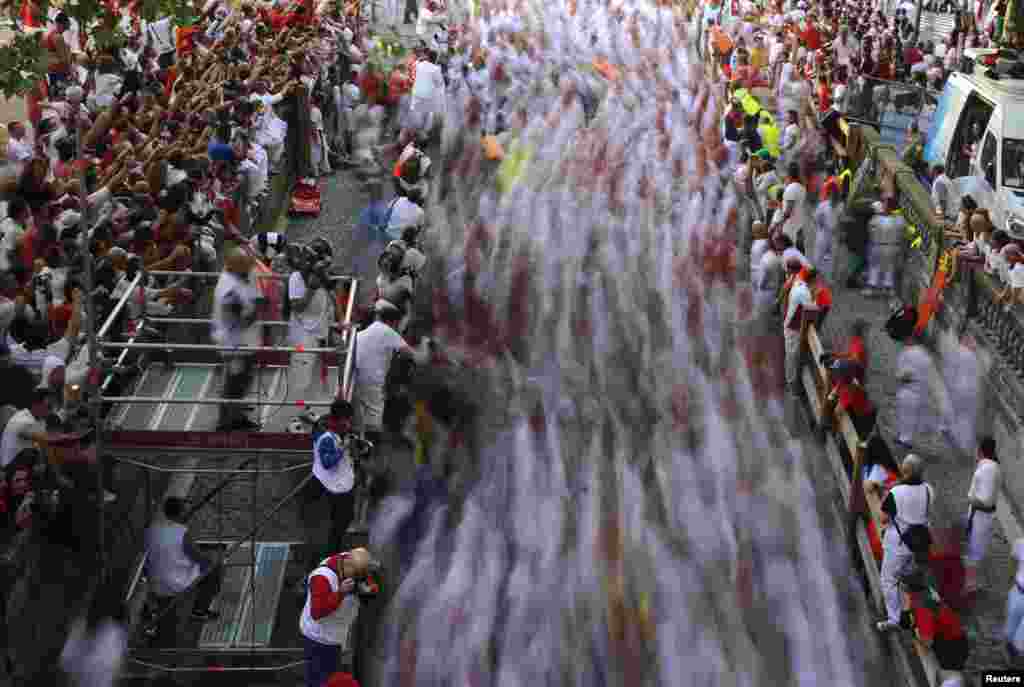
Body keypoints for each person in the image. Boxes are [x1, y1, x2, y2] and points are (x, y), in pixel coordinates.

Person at [352, 301, 431, 439]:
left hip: (355, 378)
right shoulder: (388, 332)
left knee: (360, 422)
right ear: (393, 322)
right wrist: (426, 343)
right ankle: (371, 452)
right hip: (372, 382)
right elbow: (419, 358)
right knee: (373, 425)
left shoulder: (364, 333)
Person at [299, 547, 376, 687]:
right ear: (347, 564)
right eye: (354, 575)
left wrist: (368, 589)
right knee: (321, 681)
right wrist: (340, 593)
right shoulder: (322, 577)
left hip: (335, 637)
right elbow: (317, 612)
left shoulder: (351, 562)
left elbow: (369, 581)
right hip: (319, 639)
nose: (355, 579)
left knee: (329, 677)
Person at [877, 454, 934, 632]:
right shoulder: (928, 489)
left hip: (899, 544)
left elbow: (883, 518)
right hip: (920, 544)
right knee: (910, 580)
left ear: (906, 471)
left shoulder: (896, 492)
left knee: (888, 579)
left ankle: (894, 619)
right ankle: (912, 617)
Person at [144, 497, 224, 623]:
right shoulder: (181, 532)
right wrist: (211, 560)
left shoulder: (152, 529)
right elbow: (199, 558)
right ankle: (199, 610)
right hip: (172, 582)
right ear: (181, 512)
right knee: (214, 569)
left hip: (153, 580)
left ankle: (154, 606)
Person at [302, 399, 357, 573]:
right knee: (335, 528)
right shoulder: (326, 437)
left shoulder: (337, 430)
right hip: (332, 487)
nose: (349, 424)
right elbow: (327, 462)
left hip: (337, 485)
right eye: (347, 420)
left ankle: (331, 558)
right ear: (338, 419)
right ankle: (327, 564)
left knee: (341, 522)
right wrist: (343, 448)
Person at [211, 253, 264, 431]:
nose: (250, 271)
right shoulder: (229, 289)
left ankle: (236, 414)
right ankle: (226, 422)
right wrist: (257, 310)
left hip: (244, 341)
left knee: (243, 379)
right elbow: (239, 320)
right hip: (233, 343)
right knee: (234, 381)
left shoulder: (238, 277)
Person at [288, 246, 335, 419]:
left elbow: (330, 297)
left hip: (319, 333)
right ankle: (295, 416)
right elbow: (297, 306)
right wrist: (311, 288)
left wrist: (336, 325)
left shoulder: (321, 275)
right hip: (303, 335)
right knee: (301, 380)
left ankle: (307, 411)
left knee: (315, 377)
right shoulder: (296, 277)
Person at [964, 437, 1001, 594]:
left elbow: (985, 500)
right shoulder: (990, 467)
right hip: (980, 516)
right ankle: (971, 582)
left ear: (980, 450)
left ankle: (971, 584)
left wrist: (971, 498)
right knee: (974, 550)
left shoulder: (988, 469)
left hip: (981, 516)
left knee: (975, 551)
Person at [781, 256, 815, 393]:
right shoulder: (803, 291)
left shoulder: (795, 280)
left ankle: (791, 381)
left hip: (790, 323)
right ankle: (791, 383)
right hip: (793, 327)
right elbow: (811, 309)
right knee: (792, 355)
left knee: (791, 355)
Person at [864, 197, 906, 296]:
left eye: (887, 205)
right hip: (886, 246)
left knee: (881, 267)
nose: (885, 207)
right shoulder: (899, 219)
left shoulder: (878, 219)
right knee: (883, 267)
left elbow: (870, 231)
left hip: (883, 245)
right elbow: (902, 233)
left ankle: (877, 287)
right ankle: (882, 288)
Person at [772, 163, 809, 249]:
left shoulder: (791, 189)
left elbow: (788, 211)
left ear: (789, 174)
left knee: (789, 248)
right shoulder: (801, 187)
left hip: (790, 225)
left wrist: (780, 224)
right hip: (798, 221)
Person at [813, 179, 842, 280]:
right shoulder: (823, 205)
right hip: (824, 232)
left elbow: (841, 221)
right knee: (819, 256)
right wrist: (821, 225)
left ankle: (829, 278)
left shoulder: (840, 206)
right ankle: (818, 276)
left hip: (834, 234)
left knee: (832, 258)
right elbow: (816, 219)